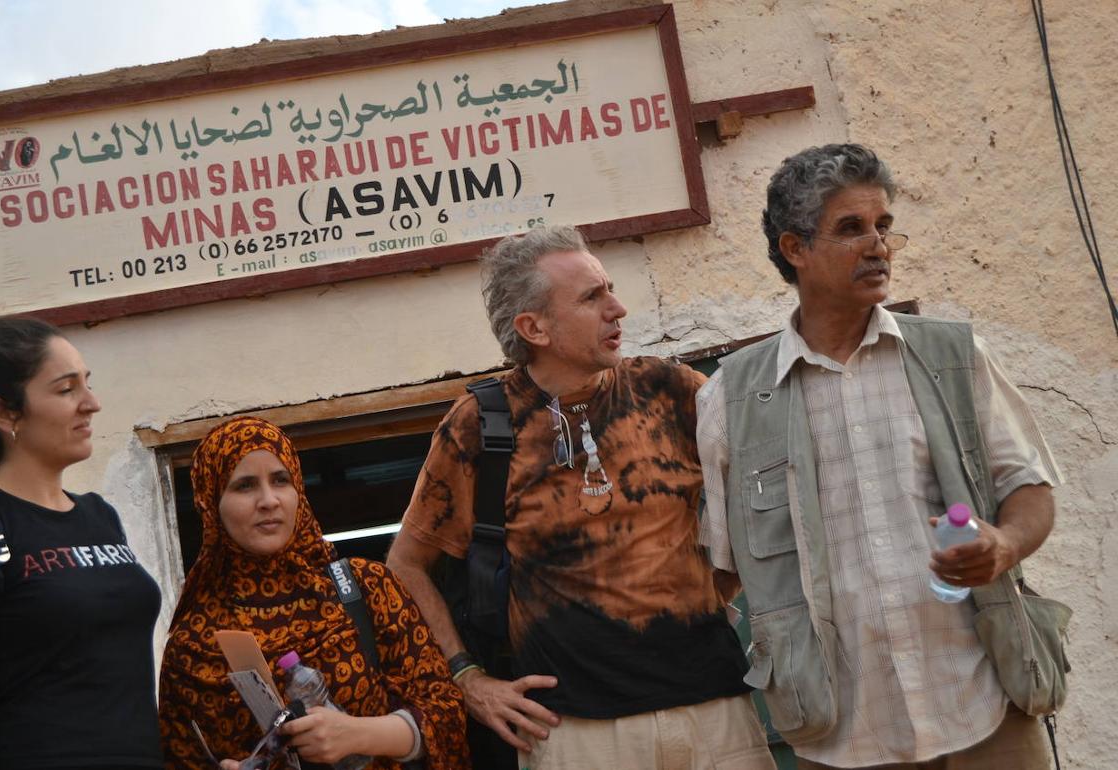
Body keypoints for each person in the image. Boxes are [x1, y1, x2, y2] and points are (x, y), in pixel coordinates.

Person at [696, 143, 1066, 769]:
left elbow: (1030, 487)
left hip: (984, 699)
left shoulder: (955, 357)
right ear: (794, 248)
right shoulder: (732, 398)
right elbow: (719, 571)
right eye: (851, 228)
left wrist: (1004, 544)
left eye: (884, 225)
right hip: (841, 729)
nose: (878, 246)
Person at [387, 225, 774, 770]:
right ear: (534, 328)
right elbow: (406, 564)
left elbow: (764, 497)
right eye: (592, 297)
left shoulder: (672, 390)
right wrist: (467, 678)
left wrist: (715, 590)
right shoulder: (479, 424)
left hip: (716, 710)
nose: (617, 308)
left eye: (610, 289)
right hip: (573, 731)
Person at [0, 318, 163, 770]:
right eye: (66, 389)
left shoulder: (101, 518)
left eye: (87, 384)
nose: (92, 404)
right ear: (6, 413)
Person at [157, 416, 469, 770]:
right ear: (211, 503)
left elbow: (446, 715)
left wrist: (359, 735)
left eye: (281, 480)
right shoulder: (192, 646)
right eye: (244, 486)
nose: (269, 500)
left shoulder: (367, 588)